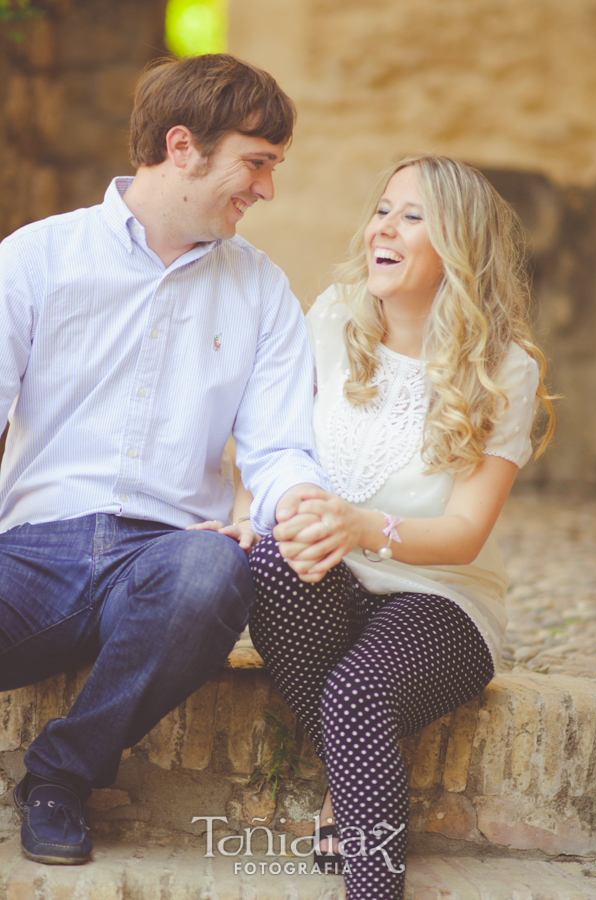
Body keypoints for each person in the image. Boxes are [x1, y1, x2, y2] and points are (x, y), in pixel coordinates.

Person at [0, 53, 332, 865]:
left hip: (164, 563)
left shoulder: (260, 290)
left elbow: (280, 447)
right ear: (182, 147)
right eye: (256, 164)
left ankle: (60, 776)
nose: (266, 189)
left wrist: (303, 509)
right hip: (28, 557)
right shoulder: (36, 258)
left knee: (210, 572)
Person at [247, 155, 555, 899]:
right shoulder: (333, 318)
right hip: (330, 580)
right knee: (266, 564)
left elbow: (463, 533)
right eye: (383, 209)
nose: (383, 227)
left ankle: (367, 878)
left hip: (439, 599)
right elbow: (278, 448)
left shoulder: (501, 368)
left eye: (412, 216)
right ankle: (355, 787)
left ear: (460, 243)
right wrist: (252, 518)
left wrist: (358, 526)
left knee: (358, 696)